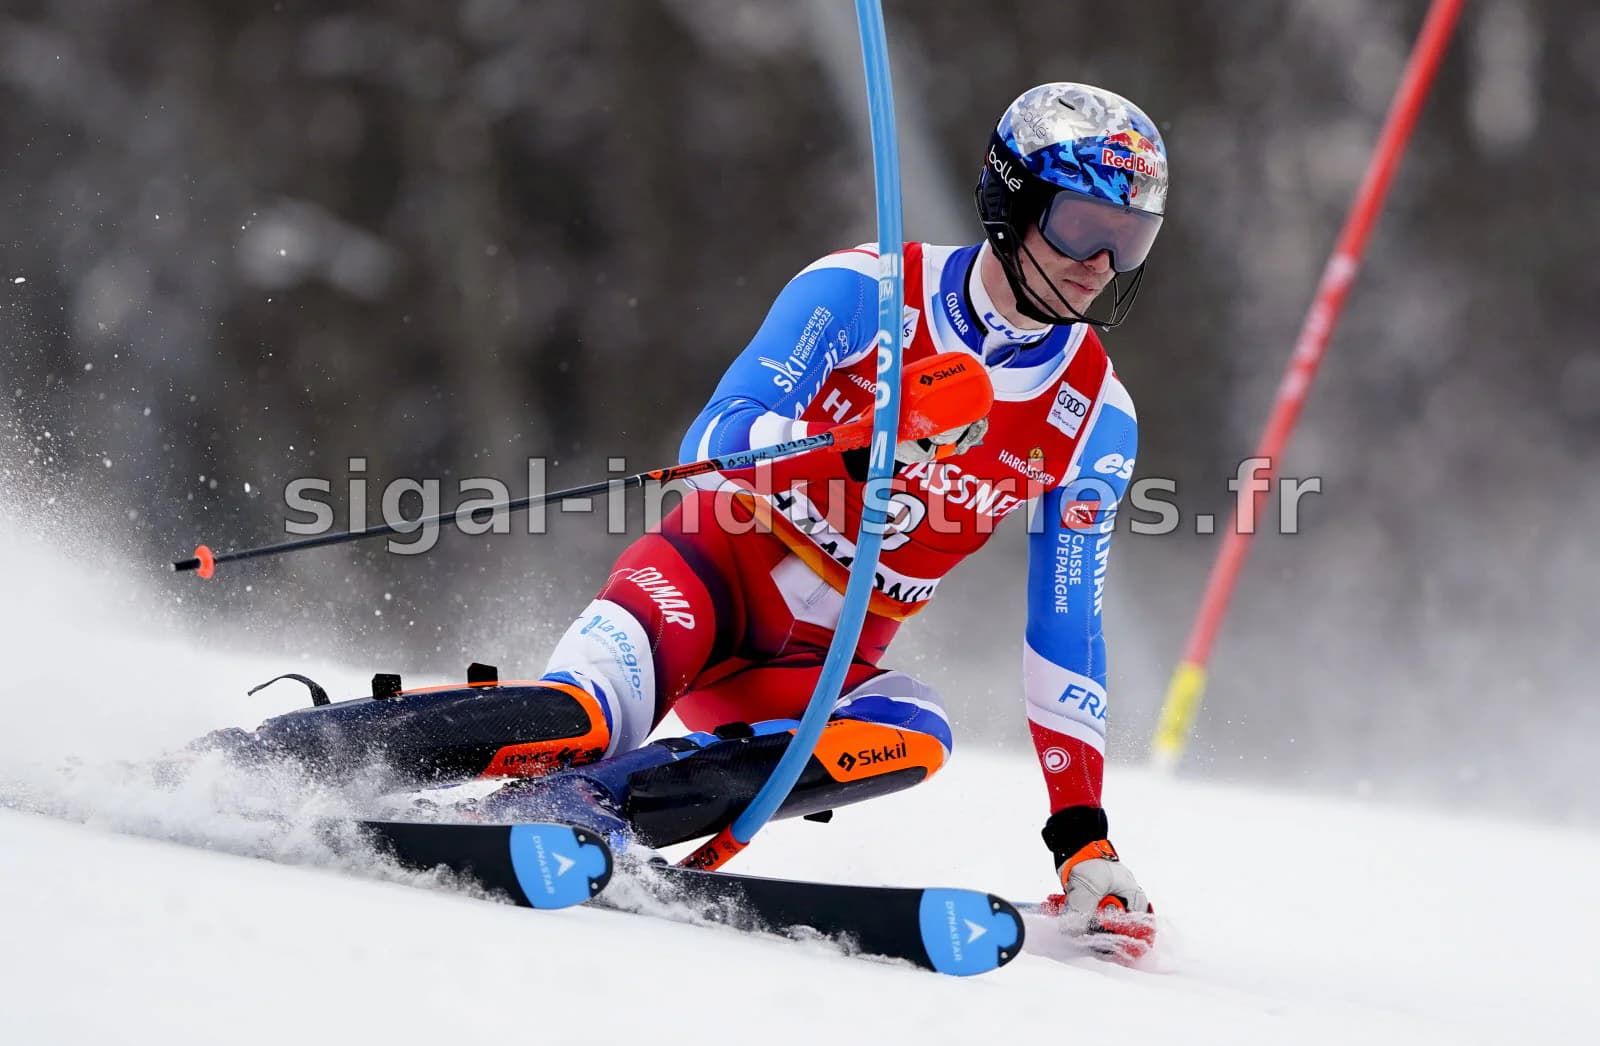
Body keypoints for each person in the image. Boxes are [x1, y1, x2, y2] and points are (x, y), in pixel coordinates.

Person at [219, 83, 1166, 944]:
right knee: (582, 714)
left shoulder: (1096, 420)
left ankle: (584, 810)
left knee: (914, 729)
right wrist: (860, 443)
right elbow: (721, 429)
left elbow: (1066, 628)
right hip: (707, 578)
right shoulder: (865, 289)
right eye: (1084, 225)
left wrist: (1081, 838)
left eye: (1130, 240)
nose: (1100, 265)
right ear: (1012, 203)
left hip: (815, 659)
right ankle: (269, 760)